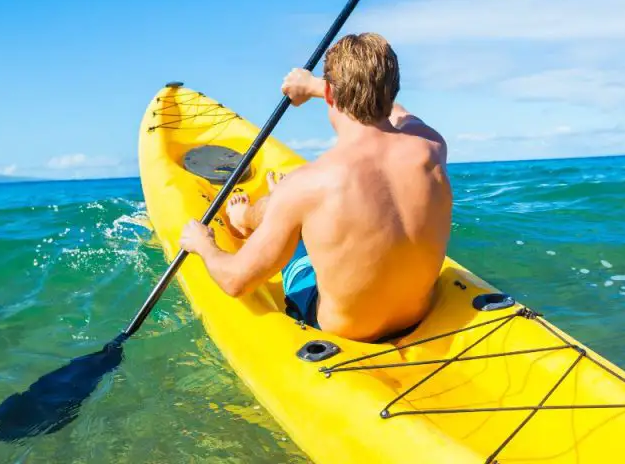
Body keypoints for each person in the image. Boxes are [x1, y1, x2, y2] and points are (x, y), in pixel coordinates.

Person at [178, 32, 452, 343]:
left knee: (294, 218)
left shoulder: (310, 182)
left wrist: (203, 245)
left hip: (344, 331)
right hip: (416, 315)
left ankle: (247, 218)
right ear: (393, 88)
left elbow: (235, 281)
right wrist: (314, 86)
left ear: (331, 96)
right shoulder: (430, 144)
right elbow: (397, 111)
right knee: (298, 206)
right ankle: (264, 211)